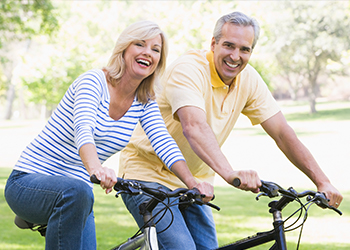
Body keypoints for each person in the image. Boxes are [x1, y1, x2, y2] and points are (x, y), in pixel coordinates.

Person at [118, 12, 343, 250]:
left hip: (196, 183)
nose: (235, 56)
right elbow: (193, 126)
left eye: (244, 49)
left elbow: (282, 133)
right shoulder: (189, 69)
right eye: (228, 46)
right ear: (213, 44)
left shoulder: (248, 80)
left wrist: (322, 182)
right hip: (147, 175)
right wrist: (229, 173)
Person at [4, 20, 204, 250]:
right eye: (140, 44)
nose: (147, 53)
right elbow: (83, 129)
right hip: (29, 181)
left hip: (78, 196)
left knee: (79, 195)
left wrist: (192, 184)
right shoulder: (94, 81)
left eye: (155, 49)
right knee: (76, 191)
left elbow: (163, 141)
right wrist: (96, 169)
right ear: (124, 49)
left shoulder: (145, 100)